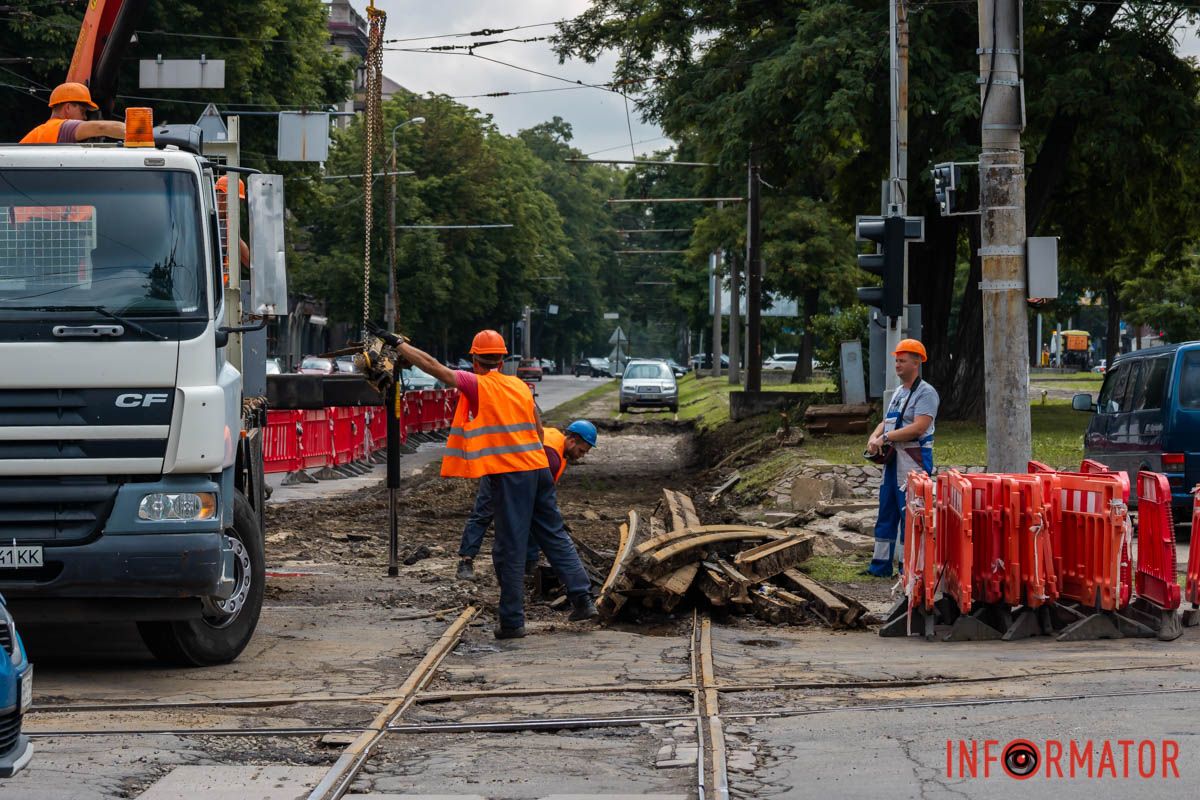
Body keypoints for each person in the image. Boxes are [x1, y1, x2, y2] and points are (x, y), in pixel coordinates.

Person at [396, 330, 598, 638]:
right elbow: (537, 428)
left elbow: (434, 366)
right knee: (555, 536)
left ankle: (512, 622)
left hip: (512, 475)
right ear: (503, 361)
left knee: (510, 547)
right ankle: (583, 600)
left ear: (475, 360)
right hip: (539, 468)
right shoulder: (519, 386)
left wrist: (399, 345)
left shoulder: (478, 384)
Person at [456, 419, 599, 581]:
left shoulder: (556, 441)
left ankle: (529, 564)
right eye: (581, 451)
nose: (581, 456)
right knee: (484, 514)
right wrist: (552, 519)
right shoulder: (551, 455)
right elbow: (539, 495)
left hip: (512, 470)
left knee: (532, 515)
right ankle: (466, 561)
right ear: (572, 441)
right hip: (498, 468)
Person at [864, 338, 939, 578]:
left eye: (902, 361)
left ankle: (909, 569)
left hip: (913, 461)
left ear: (916, 363)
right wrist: (874, 437)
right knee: (886, 512)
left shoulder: (926, 393)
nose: (897, 364)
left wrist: (885, 437)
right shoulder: (899, 392)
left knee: (911, 515)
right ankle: (879, 567)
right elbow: (887, 421)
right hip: (894, 461)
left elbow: (919, 427)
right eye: (896, 360)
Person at [20, 83, 126, 144]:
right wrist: (133, 131)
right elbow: (101, 127)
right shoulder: (62, 128)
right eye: (82, 111)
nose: (85, 117)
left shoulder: (43, 132)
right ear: (68, 108)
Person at [215, 175, 251, 281]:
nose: (237, 207)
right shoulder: (205, 218)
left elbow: (248, 260)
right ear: (224, 197)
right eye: (237, 202)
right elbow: (247, 259)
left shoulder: (227, 223)